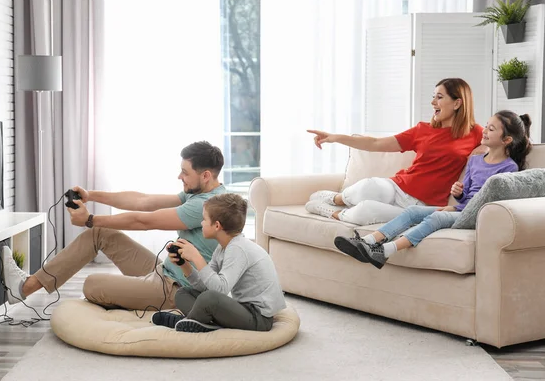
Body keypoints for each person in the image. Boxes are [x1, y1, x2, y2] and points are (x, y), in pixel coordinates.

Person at [1, 141, 226, 311]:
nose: (180, 176)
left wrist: (90, 220)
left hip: (176, 289)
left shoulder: (206, 205)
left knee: (91, 285)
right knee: (100, 234)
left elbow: (144, 221)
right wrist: (91, 196)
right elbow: (144, 201)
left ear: (205, 175)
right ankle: (24, 288)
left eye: (185, 172)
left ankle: (143, 301)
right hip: (163, 272)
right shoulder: (201, 194)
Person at [334, 111, 532, 269]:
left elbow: (490, 201)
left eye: (491, 129)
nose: (485, 131)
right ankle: (367, 242)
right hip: (462, 210)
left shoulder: (509, 168)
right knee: (412, 212)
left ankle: (385, 251)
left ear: (506, 140)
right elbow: (468, 193)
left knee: (436, 217)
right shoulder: (475, 160)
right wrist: (459, 192)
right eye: (486, 126)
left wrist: (455, 209)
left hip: (475, 216)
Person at [305, 78, 484, 228]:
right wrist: (336, 137)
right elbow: (376, 144)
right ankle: (336, 198)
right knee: (369, 187)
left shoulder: (476, 133)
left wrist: (482, 150)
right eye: (433, 97)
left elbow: (497, 147)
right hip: (398, 187)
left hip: (424, 204)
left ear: (457, 103)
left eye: (439, 97)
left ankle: (332, 212)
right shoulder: (422, 130)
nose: (433, 102)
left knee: (365, 211)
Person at [151, 193, 286, 333]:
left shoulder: (238, 248)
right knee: (182, 293)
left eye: (204, 219)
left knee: (209, 299)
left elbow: (220, 289)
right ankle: (199, 322)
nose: (201, 223)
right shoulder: (222, 248)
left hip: (259, 318)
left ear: (217, 225)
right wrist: (184, 265)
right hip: (243, 310)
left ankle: (186, 322)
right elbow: (205, 287)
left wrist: (197, 258)